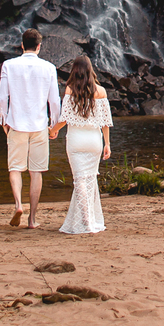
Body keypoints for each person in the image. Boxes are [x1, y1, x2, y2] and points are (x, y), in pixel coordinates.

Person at [0, 28, 61, 228]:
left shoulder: (9, 65)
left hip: (16, 123)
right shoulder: (49, 67)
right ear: (39, 46)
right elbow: (54, 101)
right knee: (36, 171)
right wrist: (54, 125)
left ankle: (18, 205)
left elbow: (1, 97)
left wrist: (3, 119)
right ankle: (32, 219)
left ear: (22, 45)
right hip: (39, 125)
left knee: (15, 168)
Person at [49, 55, 112, 234]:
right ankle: (91, 219)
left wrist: (53, 130)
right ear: (91, 70)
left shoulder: (70, 90)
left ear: (74, 71)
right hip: (94, 141)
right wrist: (107, 143)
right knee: (90, 179)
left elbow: (65, 118)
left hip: (76, 140)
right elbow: (105, 121)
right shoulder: (101, 91)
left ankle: (86, 220)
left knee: (80, 181)